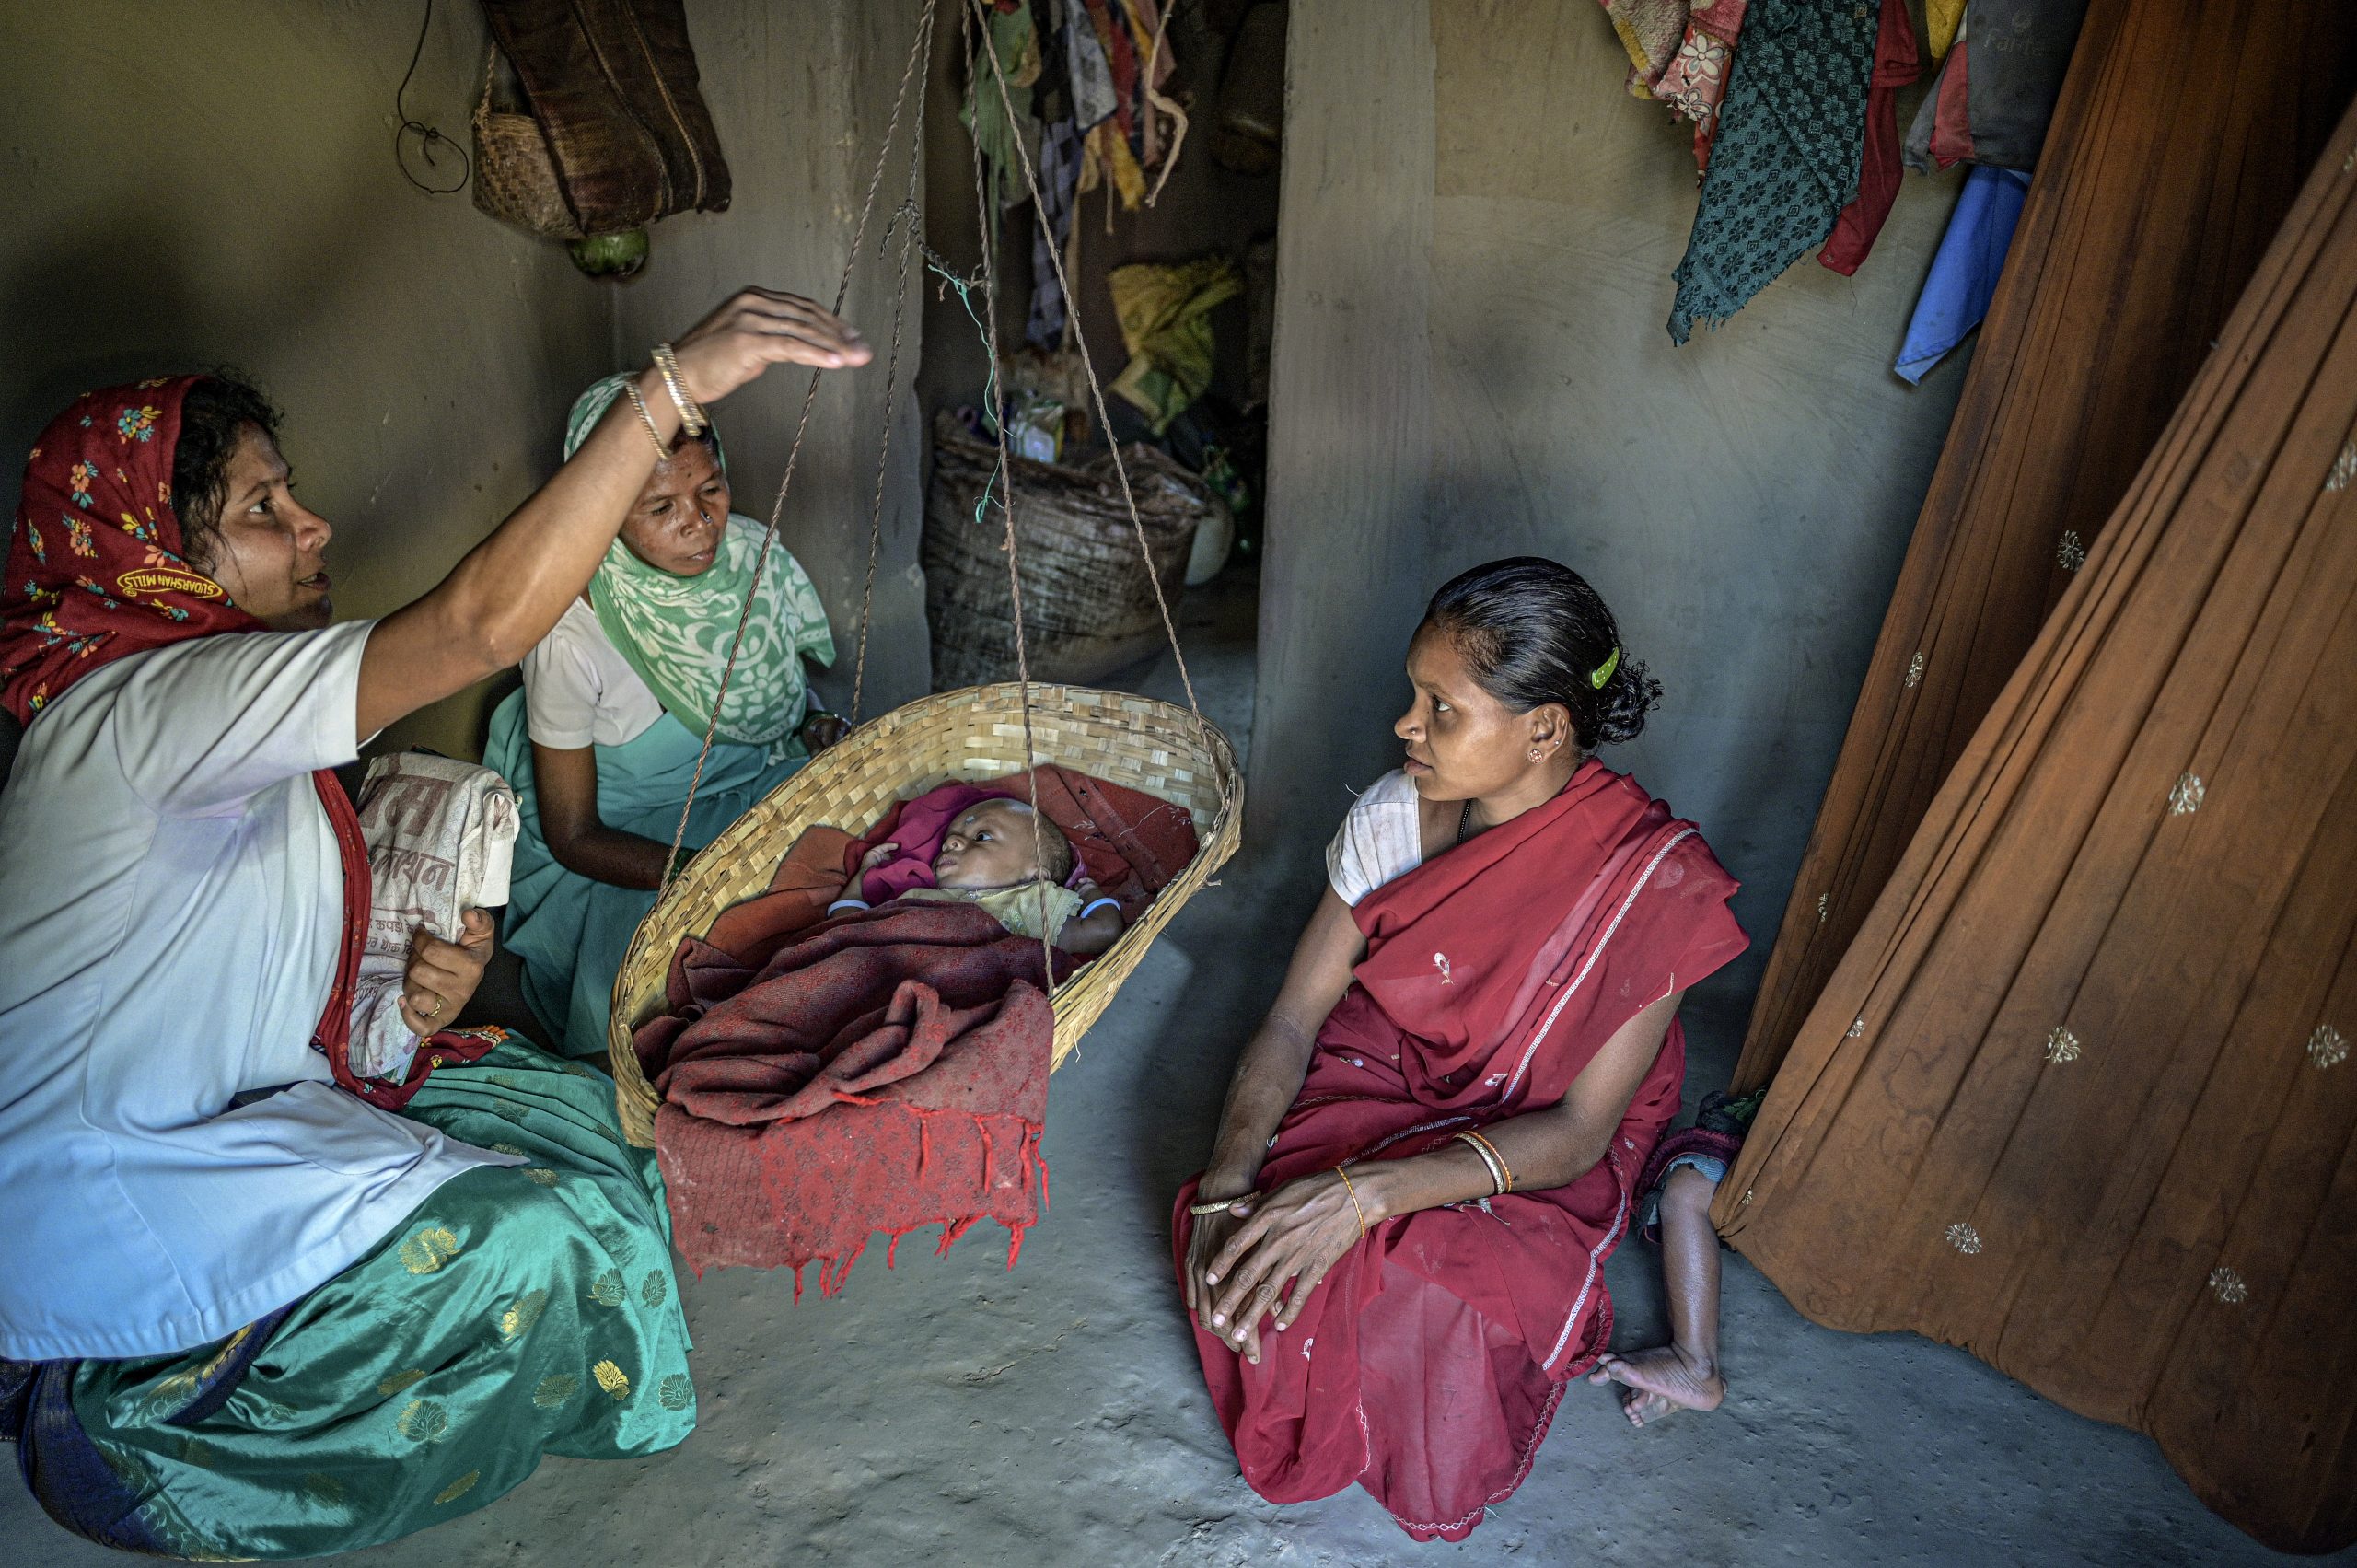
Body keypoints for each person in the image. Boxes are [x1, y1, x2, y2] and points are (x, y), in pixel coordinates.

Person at [0, 288, 870, 1559]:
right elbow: (475, 626)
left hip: (225, 1117)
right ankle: (149, 1442)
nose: (315, 526)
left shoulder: (194, 707)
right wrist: (677, 383)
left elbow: (229, 973)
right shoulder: (144, 706)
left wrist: (412, 1000)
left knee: (593, 1121)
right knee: (530, 1241)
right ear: (157, 552)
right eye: (261, 510)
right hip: (105, 1225)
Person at [1174, 558, 1748, 1541]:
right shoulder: (1393, 824)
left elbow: (1572, 1130)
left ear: (1544, 729)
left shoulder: (1654, 885)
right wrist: (1230, 1179)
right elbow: (1290, 1021)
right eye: (1413, 694)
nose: (1404, 725)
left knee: (1432, 1285)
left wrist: (1368, 1192)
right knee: (1257, 1242)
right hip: (1384, 1067)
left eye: (1440, 707)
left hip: (1539, 1125)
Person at [483, 374, 842, 1062]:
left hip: (741, 793)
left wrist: (808, 728)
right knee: (679, 984)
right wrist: (698, 873)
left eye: (710, 489)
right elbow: (573, 834)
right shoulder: (569, 634)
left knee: (862, 868)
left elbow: (767, 701)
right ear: (603, 512)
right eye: (659, 506)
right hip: (626, 847)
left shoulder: (744, 562)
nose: (700, 522)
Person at [829, 798, 1126, 956]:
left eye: (981, 836)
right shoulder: (915, 898)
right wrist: (863, 874)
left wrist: (1092, 895)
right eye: (950, 838)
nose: (952, 842)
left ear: (1036, 874)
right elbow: (847, 927)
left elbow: (1102, 932)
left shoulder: (1031, 903)